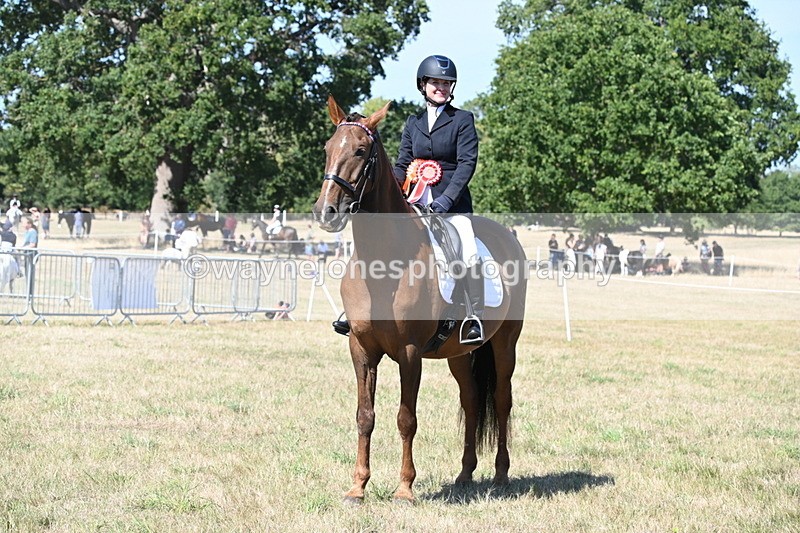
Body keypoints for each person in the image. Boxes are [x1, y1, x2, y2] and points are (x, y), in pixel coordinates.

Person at [333, 54, 484, 343]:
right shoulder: (413, 122)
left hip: (449, 203)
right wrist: (398, 193)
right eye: (435, 82)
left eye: (446, 82)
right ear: (423, 85)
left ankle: (472, 314)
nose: (441, 87)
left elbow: (467, 164)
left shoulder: (462, 120)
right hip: (413, 199)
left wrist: (445, 201)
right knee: (377, 242)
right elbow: (403, 163)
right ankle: (355, 308)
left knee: (466, 246)